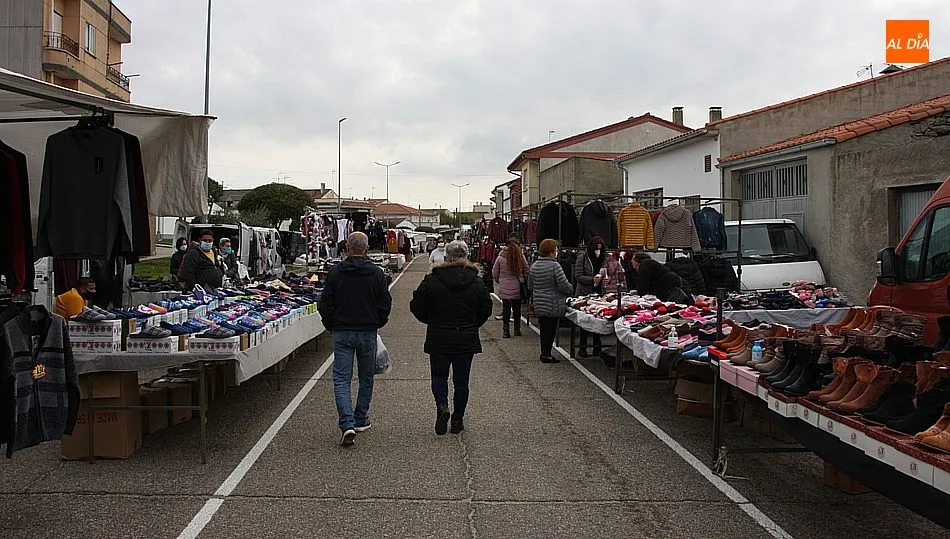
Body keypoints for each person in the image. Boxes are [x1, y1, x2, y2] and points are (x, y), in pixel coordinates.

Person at [318, 232, 393, 446]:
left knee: (341, 378)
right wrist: (379, 321)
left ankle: (347, 423)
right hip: (367, 330)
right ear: (366, 249)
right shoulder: (376, 274)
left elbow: (325, 303)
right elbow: (385, 302)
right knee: (366, 376)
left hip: (342, 330)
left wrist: (330, 324)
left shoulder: (336, 273)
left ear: (347, 249)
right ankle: (361, 418)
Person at [410, 241, 492, 435]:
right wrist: (473, 324)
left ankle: (442, 406)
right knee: (461, 381)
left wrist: (430, 320)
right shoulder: (477, 282)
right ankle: (457, 419)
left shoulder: (431, 280)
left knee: (439, 375)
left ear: (445, 257)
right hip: (466, 335)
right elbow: (485, 308)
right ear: (466, 256)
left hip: (439, 334)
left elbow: (416, 305)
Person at [529, 239, 574, 364]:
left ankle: (544, 352)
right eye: (556, 249)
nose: (557, 251)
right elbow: (563, 285)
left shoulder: (534, 266)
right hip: (553, 302)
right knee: (551, 329)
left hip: (539, 302)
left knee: (544, 329)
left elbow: (530, 285)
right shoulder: (555, 266)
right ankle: (547, 354)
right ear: (551, 252)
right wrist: (571, 289)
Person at [574, 236, 609, 357]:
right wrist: (592, 279)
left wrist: (605, 280)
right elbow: (577, 276)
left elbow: (606, 272)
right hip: (585, 292)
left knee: (598, 319)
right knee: (585, 321)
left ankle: (597, 346)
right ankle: (582, 346)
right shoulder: (582, 258)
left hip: (599, 293)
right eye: (596, 248)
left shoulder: (604, 258)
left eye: (600, 248)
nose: (598, 251)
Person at [492, 234, 528, 338]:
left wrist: (500, 280)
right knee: (517, 309)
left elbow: (494, 272)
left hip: (504, 285)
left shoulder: (500, 257)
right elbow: (527, 270)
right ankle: (517, 330)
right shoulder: (520, 256)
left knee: (506, 308)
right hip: (517, 285)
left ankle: (506, 331)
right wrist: (523, 279)